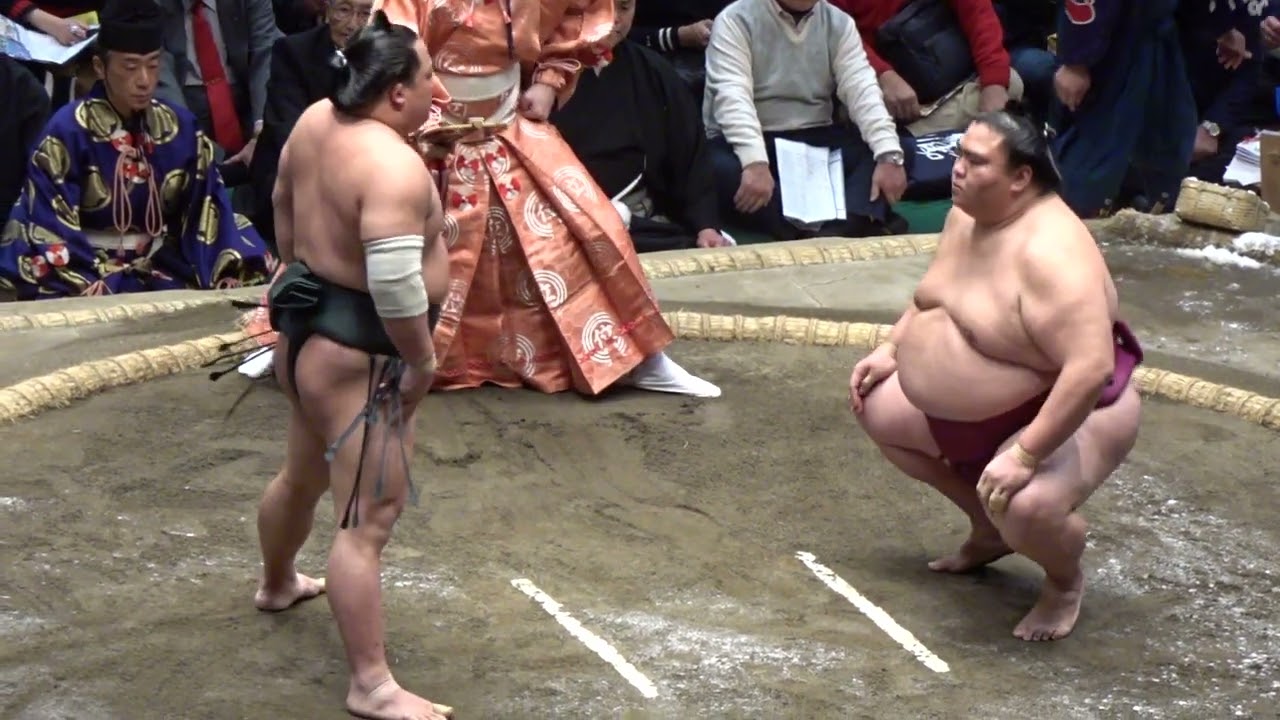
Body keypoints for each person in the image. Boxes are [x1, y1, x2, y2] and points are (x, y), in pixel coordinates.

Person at [848, 107, 1144, 642]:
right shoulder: (966, 215)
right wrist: (892, 347)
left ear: (1021, 177)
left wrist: (1025, 455)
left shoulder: (1053, 254)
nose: (957, 169)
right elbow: (933, 295)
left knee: (1026, 505)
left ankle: (1063, 583)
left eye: (976, 161)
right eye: (959, 155)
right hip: (983, 405)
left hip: (1067, 409)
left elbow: (1089, 368)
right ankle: (989, 531)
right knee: (875, 403)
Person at [252, 12, 452, 719]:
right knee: (366, 520)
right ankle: (371, 684)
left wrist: (297, 267)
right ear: (395, 92)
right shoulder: (392, 167)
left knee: (301, 476)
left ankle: (278, 581)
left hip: (305, 336)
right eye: (428, 78)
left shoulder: (314, 121)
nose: (437, 90)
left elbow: (281, 202)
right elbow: (395, 285)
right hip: (362, 356)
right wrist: (420, 359)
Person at [377, 0, 720, 397]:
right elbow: (392, 52)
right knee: (415, 256)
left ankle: (636, 358)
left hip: (510, 129)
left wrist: (548, 80)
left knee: (589, 228)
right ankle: (391, 359)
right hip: (430, 141)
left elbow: (577, 12)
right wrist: (425, 119)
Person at [0, 0, 274, 299]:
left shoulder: (180, 127)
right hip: (83, 264)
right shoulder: (67, 131)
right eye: (130, 67)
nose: (144, 80)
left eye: (153, 65)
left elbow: (207, 210)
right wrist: (101, 282)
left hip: (162, 262)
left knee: (245, 252)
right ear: (100, 67)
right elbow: (48, 225)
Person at [550, 0, 732, 253]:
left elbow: (688, 153)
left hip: (637, 218)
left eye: (624, 7)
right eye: (603, 5)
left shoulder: (652, 70)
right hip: (557, 218)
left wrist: (705, 225)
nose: (615, 19)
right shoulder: (539, 76)